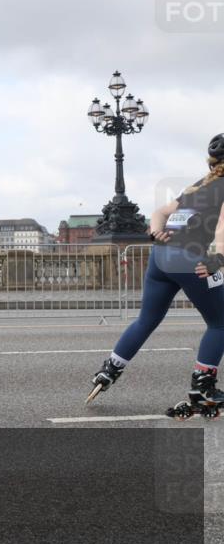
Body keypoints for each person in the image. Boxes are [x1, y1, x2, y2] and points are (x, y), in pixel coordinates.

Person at [89, 133, 224, 411]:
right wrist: (217, 258)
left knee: (146, 320)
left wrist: (155, 232)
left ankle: (109, 370)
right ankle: (203, 386)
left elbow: (160, 212)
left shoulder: (197, 186)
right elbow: (223, 227)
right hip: (190, 259)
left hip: (160, 257)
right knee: (220, 323)